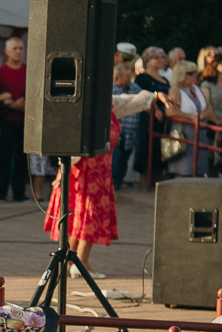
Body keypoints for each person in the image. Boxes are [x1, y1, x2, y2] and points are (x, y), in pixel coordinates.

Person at [44, 86, 159, 279]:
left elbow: (130, 102)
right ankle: (79, 262)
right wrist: (64, 170)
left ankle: (75, 261)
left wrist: (156, 96)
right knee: (85, 215)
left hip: (100, 171)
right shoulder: (83, 108)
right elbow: (72, 139)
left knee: (84, 216)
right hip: (84, 170)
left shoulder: (109, 103)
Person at [0, 37, 27, 202]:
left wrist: (24, 103)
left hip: (25, 121)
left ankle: (19, 193)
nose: (18, 51)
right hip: (7, 120)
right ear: (7, 51)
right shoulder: (0, 72)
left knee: (22, 159)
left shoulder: (28, 70)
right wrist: (11, 104)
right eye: (15, 48)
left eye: (20, 48)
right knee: (5, 158)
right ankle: (1, 193)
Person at [166, 61, 214, 178]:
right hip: (184, 134)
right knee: (183, 168)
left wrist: (201, 116)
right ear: (181, 75)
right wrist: (190, 116)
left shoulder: (197, 89)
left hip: (200, 133)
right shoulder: (175, 90)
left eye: (195, 73)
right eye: (190, 73)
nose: (194, 76)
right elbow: (170, 111)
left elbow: (209, 108)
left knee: (199, 168)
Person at [133, 46, 171, 184]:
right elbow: (140, 97)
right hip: (147, 124)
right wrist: (154, 109)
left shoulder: (165, 80)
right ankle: (145, 187)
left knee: (160, 157)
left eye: (162, 57)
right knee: (146, 157)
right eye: (156, 57)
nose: (161, 60)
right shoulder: (142, 78)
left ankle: (157, 187)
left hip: (163, 124)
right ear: (147, 62)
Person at [198, 52, 222, 176]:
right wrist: (217, 121)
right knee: (210, 158)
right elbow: (207, 105)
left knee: (219, 160)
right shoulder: (206, 84)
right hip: (210, 124)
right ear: (215, 65)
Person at [112, 63, 143, 191]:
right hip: (117, 134)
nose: (129, 79)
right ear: (117, 79)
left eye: (130, 76)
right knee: (115, 160)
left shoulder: (134, 87)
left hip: (131, 134)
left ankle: (118, 184)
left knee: (123, 160)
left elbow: (144, 98)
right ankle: (113, 185)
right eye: (126, 77)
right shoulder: (112, 90)